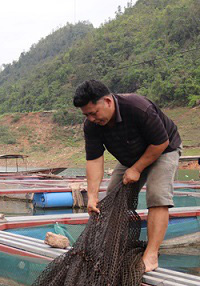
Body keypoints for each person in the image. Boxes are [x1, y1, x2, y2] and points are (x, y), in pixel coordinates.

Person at [73, 80, 182, 272]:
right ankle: (111, 249)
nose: (91, 118)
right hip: (130, 156)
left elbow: (160, 142)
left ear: (107, 101)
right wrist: (91, 196)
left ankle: (151, 255)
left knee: (157, 195)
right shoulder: (91, 126)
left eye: (93, 113)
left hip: (163, 149)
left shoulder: (138, 107)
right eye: (86, 115)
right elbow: (95, 160)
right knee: (112, 199)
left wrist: (137, 168)